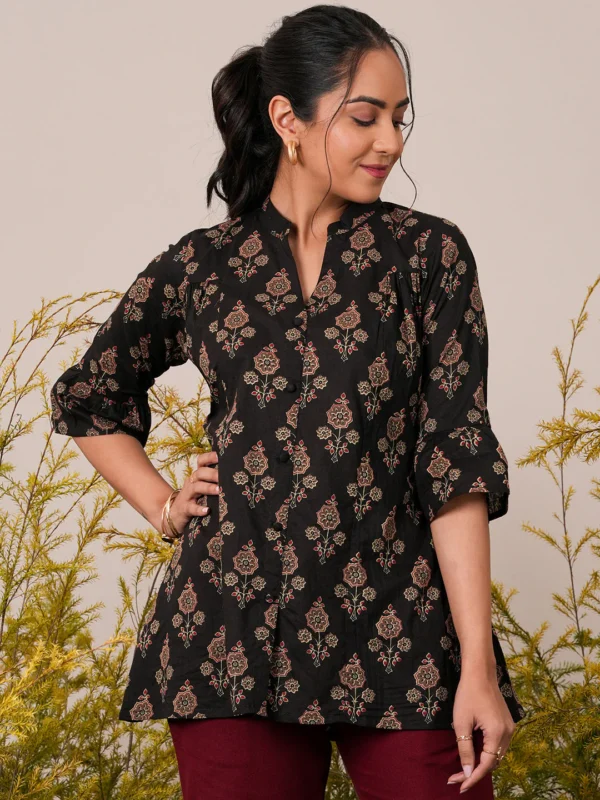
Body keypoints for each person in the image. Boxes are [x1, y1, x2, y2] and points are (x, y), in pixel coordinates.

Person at [49, 5, 525, 799]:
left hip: (401, 624)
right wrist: (163, 504)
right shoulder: (204, 266)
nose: (391, 142)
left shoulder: (428, 256)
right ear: (287, 120)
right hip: (230, 634)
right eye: (365, 117)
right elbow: (91, 396)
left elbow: (456, 461)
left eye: (400, 118)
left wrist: (475, 665)